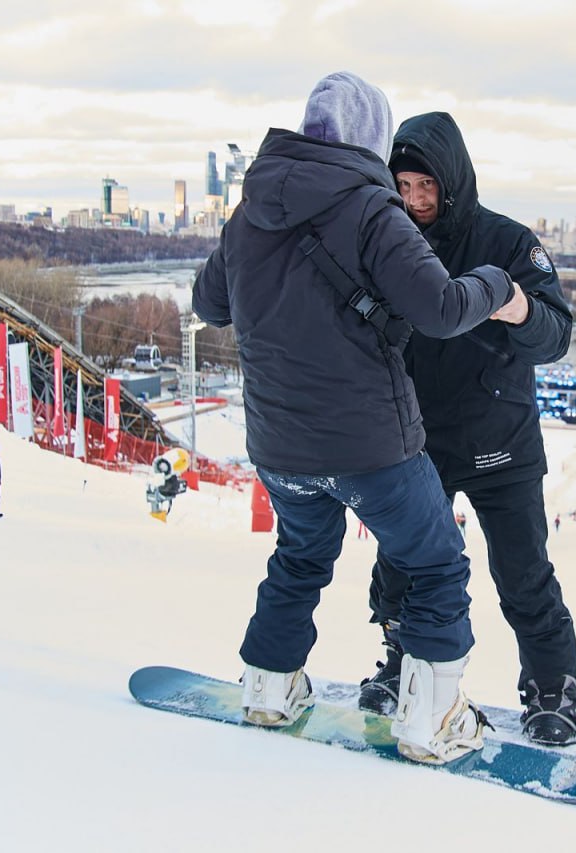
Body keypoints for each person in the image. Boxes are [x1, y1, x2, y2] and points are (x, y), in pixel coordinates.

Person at [191, 72, 519, 765]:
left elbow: (210, 303)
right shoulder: (372, 210)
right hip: (370, 446)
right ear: (371, 137)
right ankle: (431, 718)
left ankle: (269, 688)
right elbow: (440, 308)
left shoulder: (249, 212)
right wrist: (495, 282)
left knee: (299, 557)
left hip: (279, 445)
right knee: (436, 563)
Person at [356, 110, 576, 746]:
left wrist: (518, 307)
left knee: (523, 574)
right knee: (400, 568)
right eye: (402, 186)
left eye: (425, 186)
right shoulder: (386, 237)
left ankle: (552, 688)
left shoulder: (507, 242)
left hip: (499, 444)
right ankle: (402, 662)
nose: (414, 200)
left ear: (451, 182)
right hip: (415, 442)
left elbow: (557, 336)